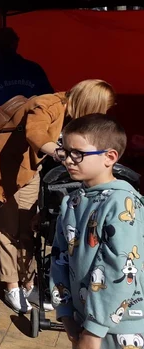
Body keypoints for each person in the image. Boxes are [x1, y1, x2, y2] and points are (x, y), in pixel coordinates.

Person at [0, 79, 116, 313]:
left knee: (27, 228)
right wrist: (61, 153)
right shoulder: (47, 104)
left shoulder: (70, 115)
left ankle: (28, 282)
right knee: (6, 229)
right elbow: (35, 132)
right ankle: (11, 286)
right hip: (2, 172)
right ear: (91, 103)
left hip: (28, 172)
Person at [50, 114, 144, 349]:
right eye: (65, 152)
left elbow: (119, 267)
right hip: (83, 318)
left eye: (78, 154)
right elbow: (59, 257)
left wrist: (94, 330)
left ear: (109, 157)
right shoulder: (70, 202)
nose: (68, 161)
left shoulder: (122, 202)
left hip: (121, 325)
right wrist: (65, 311)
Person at [0, 27, 53, 108]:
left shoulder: (33, 69)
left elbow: (48, 98)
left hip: (29, 118)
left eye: (7, 43)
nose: (5, 46)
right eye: (2, 43)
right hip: (1, 118)